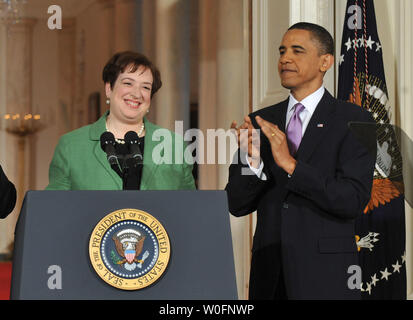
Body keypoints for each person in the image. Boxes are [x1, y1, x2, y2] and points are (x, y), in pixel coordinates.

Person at [226, 23, 376, 299]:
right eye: (282, 51)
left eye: (297, 50)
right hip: (269, 276)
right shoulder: (261, 120)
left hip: (326, 276)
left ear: (325, 61)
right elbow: (235, 204)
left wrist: (292, 166)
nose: (285, 58)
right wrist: (253, 161)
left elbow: (351, 199)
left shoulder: (356, 120)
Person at [47, 51, 195, 190]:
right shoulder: (71, 146)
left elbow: (189, 207)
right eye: (128, 83)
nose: (137, 94)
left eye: (145, 87)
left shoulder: (173, 146)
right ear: (109, 89)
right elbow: (55, 207)